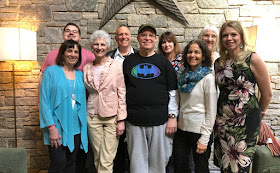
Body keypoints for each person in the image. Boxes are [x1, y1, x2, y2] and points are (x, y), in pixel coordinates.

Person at [214, 21, 272, 173]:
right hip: (223, 120)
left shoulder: (252, 59)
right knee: (225, 163)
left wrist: (261, 112)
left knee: (240, 164)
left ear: (241, 37)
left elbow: (267, 93)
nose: (229, 38)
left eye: (233, 34)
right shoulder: (218, 63)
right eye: (225, 35)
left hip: (246, 121)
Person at [123, 24, 178, 173]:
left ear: (155, 39)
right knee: (136, 164)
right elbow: (122, 91)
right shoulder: (128, 62)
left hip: (159, 120)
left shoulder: (163, 62)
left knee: (158, 164)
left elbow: (172, 91)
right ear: (138, 38)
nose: (147, 38)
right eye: (143, 35)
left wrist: (172, 116)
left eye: (150, 35)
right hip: (134, 120)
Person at [39, 40, 88, 173]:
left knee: (72, 164)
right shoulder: (51, 72)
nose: (73, 54)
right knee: (58, 164)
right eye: (69, 51)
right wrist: (51, 127)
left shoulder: (80, 74)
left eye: (76, 52)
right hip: (57, 128)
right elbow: (44, 101)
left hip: (76, 128)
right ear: (63, 53)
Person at [83, 30, 127, 173]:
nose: (99, 47)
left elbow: (122, 92)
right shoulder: (86, 68)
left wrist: (121, 119)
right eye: (96, 44)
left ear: (107, 47)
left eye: (103, 44)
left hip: (112, 117)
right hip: (92, 115)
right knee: (97, 157)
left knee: (107, 158)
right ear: (92, 46)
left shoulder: (117, 66)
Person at [173, 40, 217, 173]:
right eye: (190, 52)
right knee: (180, 167)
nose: (193, 55)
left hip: (200, 131)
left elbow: (211, 110)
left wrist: (205, 138)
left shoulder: (208, 78)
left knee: (201, 169)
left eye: (197, 52)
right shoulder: (183, 77)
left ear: (203, 56)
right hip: (181, 130)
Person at [106, 24, 138, 173]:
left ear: (130, 36)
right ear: (115, 38)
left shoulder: (140, 56)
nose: (123, 37)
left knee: (134, 149)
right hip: (114, 109)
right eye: (120, 34)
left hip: (134, 107)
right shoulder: (108, 57)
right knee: (116, 148)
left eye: (126, 34)